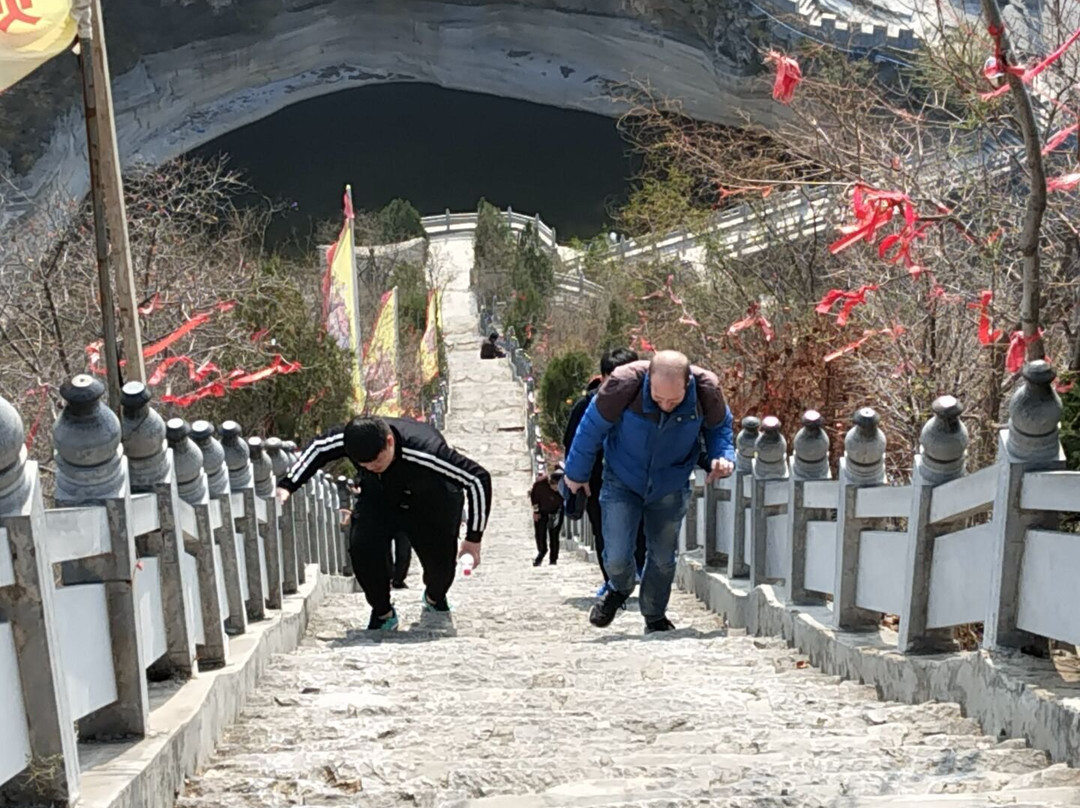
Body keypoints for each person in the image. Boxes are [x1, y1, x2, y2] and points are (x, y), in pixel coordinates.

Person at [564, 350, 735, 633]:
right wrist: (576, 474)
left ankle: (655, 616)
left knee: (662, 556)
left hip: (671, 480)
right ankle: (619, 587)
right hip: (622, 478)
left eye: (674, 400)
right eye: (658, 400)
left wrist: (723, 456)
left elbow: (720, 431)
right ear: (648, 382)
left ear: (687, 383)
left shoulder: (707, 390)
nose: (666, 406)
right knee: (617, 554)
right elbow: (590, 429)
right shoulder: (623, 385)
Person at [277, 416, 491, 631]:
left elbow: (478, 479)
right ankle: (382, 612)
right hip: (380, 499)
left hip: (431, 503)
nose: (372, 467)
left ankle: (435, 597)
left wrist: (473, 540)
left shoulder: (426, 450)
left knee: (441, 572)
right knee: (363, 548)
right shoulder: (352, 438)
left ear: (389, 442)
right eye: (364, 464)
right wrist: (288, 485)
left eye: (377, 461)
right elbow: (318, 448)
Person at [563, 347, 646, 596]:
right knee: (603, 530)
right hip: (597, 480)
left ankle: (639, 570)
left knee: (641, 526)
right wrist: (579, 477)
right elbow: (572, 443)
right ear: (603, 377)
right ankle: (612, 581)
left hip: (638, 476)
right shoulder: (587, 405)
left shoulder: (648, 404)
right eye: (614, 377)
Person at [529, 469, 565, 566]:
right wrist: (536, 512)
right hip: (541, 511)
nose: (556, 489)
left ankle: (553, 559)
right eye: (554, 486)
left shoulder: (564, 487)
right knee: (540, 534)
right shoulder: (540, 485)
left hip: (557, 510)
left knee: (554, 535)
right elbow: (534, 498)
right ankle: (542, 551)